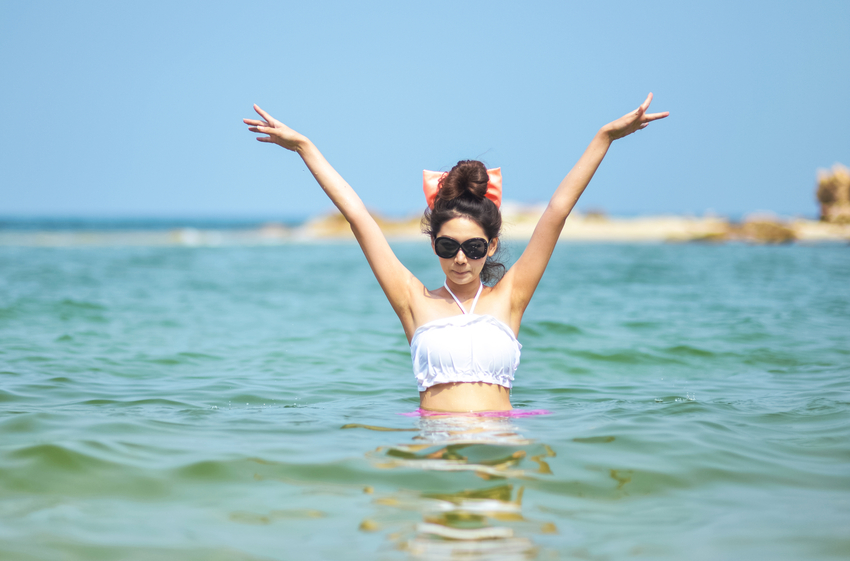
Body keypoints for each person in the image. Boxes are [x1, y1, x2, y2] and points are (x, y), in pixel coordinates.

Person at [243, 95, 669, 413]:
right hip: (434, 453)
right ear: (434, 245)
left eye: (473, 248)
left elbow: (557, 211)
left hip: (500, 450)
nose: (460, 259)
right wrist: (305, 149)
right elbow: (358, 216)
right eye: (448, 247)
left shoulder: (511, 296)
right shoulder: (413, 301)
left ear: (492, 247)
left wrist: (605, 139)